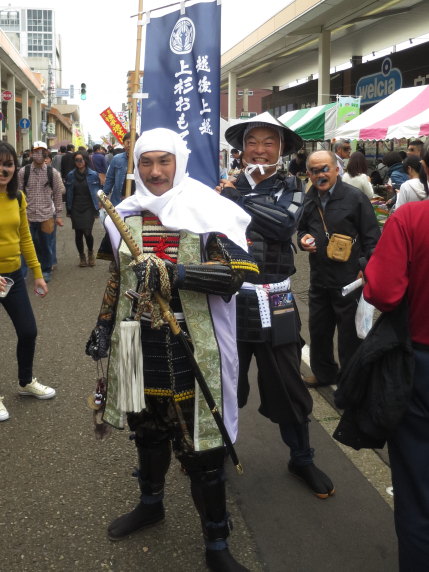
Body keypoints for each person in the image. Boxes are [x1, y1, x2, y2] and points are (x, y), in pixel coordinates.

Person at [86, 128, 258, 572]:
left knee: (201, 451)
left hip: (190, 346)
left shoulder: (207, 209)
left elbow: (240, 272)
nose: (156, 171)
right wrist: (103, 326)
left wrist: (178, 275)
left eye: (164, 161)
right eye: (146, 162)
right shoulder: (124, 213)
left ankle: (217, 545)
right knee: (145, 432)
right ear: (136, 166)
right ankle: (151, 502)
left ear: (179, 162)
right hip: (133, 340)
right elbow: (119, 279)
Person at [218, 112, 334, 499]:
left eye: (270, 142)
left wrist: (236, 199)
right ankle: (216, 453)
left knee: (288, 383)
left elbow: (283, 226)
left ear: (282, 149)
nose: (260, 148)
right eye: (253, 141)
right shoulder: (223, 184)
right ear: (242, 146)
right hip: (230, 298)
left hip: (276, 297)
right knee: (224, 383)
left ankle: (301, 457)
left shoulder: (293, 185)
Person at [362, 141, 429, 572]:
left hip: (419, 366)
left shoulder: (411, 217)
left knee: (417, 487)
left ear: (423, 169)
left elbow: (383, 292)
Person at [297, 150, 380, 388]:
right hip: (319, 278)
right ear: (309, 174)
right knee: (319, 330)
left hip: (349, 280)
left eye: (324, 168)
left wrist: (364, 267)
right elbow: (301, 229)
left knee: (349, 337)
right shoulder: (309, 199)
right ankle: (324, 374)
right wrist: (303, 240)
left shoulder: (354, 198)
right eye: (314, 170)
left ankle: (351, 384)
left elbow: (372, 238)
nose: (319, 174)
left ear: (336, 169)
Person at [0, 142, 55, 422]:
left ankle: (25, 382)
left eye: (8, 164)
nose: (3, 169)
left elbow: (24, 238)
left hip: (13, 276)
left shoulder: (18, 198)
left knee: (28, 331)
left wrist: (36, 273)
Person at [18, 141, 65, 283]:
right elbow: (19, 193)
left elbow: (58, 193)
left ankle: (45, 270)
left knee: (46, 245)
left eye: (42, 152)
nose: (39, 155)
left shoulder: (53, 173)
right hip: (28, 215)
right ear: (31, 153)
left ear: (47, 154)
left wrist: (59, 214)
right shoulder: (23, 172)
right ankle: (23, 273)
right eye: (36, 151)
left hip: (47, 216)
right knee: (25, 245)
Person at [65, 151, 100, 267]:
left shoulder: (93, 174)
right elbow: (68, 193)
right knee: (78, 233)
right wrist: (68, 209)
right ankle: (82, 256)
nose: (79, 162)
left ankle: (90, 253)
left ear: (85, 160)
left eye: (81, 160)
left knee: (88, 232)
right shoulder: (70, 175)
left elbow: (98, 191)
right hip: (75, 206)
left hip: (89, 206)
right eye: (76, 160)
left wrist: (97, 208)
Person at [103, 132, 132, 206]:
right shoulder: (117, 159)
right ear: (123, 144)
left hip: (135, 202)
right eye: (127, 142)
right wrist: (104, 196)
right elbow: (110, 179)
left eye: (132, 142)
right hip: (118, 201)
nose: (129, 145)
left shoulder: (142, 159)